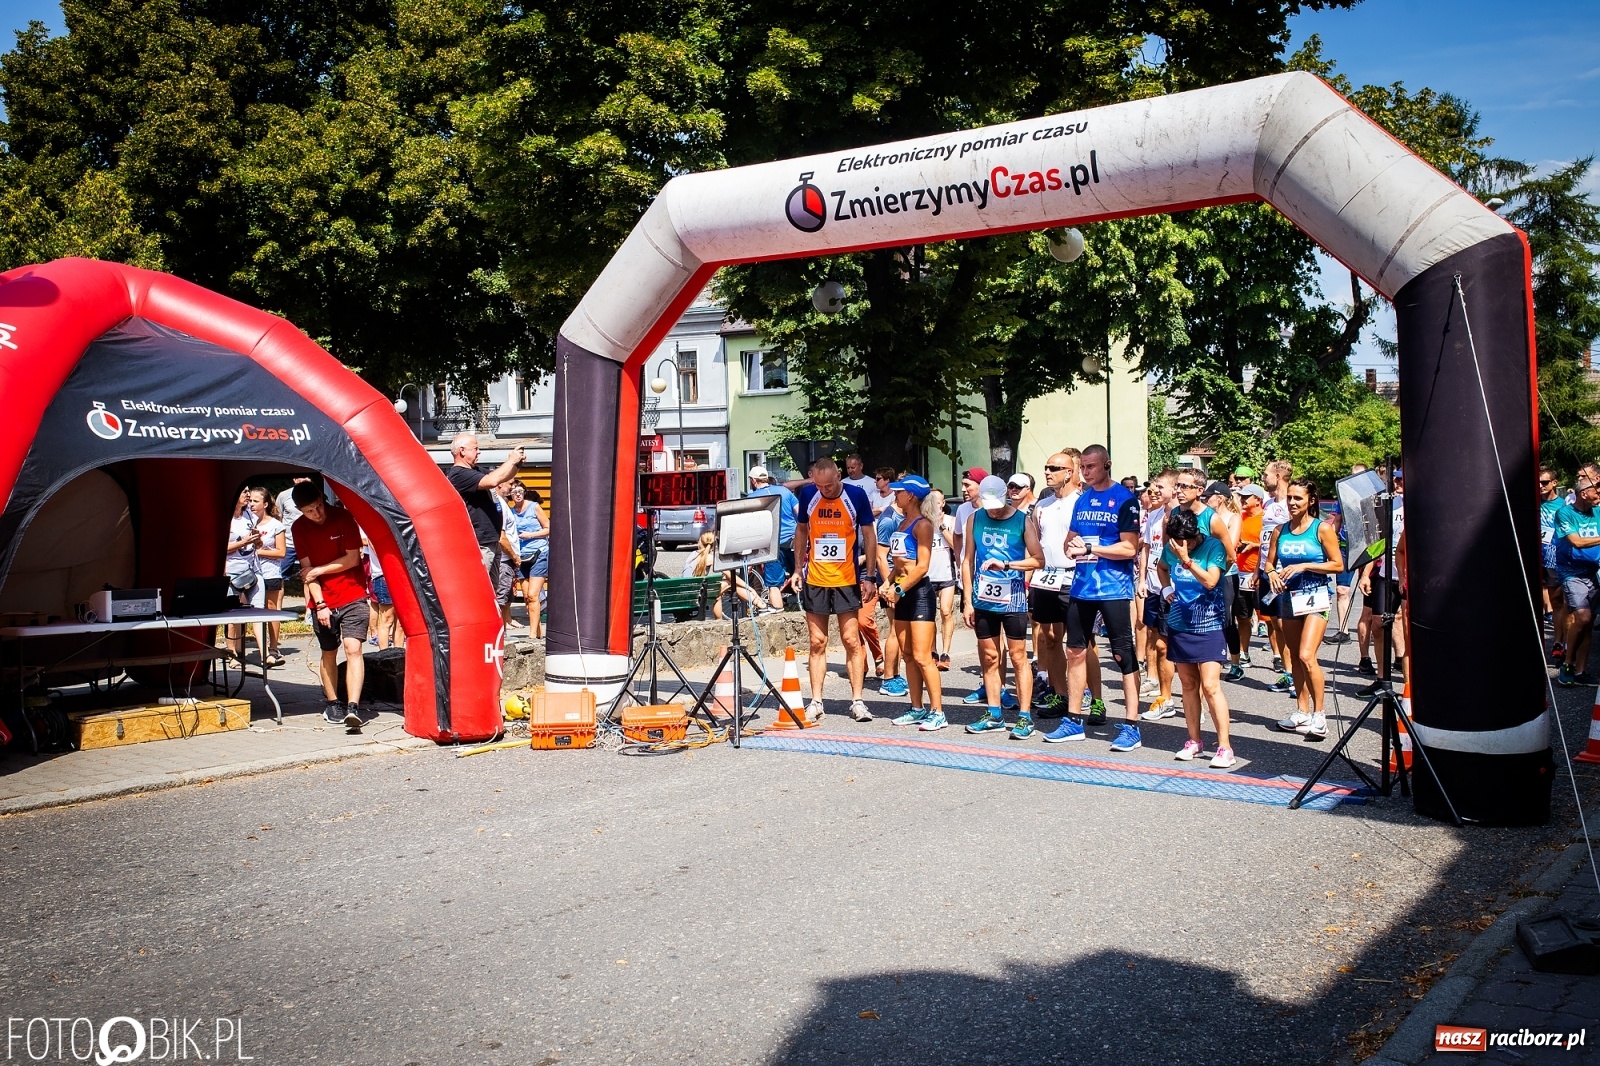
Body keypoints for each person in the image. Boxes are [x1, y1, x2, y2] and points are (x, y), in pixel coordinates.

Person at [1046, 445, 1143, 748]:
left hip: (1113, 587)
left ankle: (1131, 724)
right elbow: (1070, 540)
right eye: (1082, 467)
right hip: (1082, 586)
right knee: (1074, 651)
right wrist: (1072, 546)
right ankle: (1073, 719)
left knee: (1121, 653)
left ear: (1106, 465)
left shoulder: (1126, 501)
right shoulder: (1083, 498)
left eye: (1091, 466)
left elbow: (1130, 548)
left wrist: (1092, 549)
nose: (1086, 472)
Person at [790, 458, 880, 722]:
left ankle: (858, 700)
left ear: (839, 476)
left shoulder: (856, 495)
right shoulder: (809, 494)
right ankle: (816, 700)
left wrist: (871, 575)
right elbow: (802, 530)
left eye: (829, 485)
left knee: (851, 640)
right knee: (817, 642)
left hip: (846, 578)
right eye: (819, 485)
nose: (824, 490)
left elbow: (869, 535)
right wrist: (797, 568)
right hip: (816, 578)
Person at [962, 475, 1043, 737]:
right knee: (989, 657)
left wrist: (1008, 565)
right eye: (988, 504)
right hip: (983, 598)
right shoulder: (975, 518)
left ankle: (1024, 716)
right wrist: (967, 600)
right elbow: (967, 560)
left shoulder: (1022, 520)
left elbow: (1038, 560)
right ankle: (994, 713)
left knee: (1018, 657)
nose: (993, 509)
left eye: (997, 503)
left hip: (1014, 598)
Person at [291, 481, 372, 731]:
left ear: (322, 499)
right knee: (329, 651)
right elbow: (307, 573)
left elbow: (352, 559)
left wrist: (319, 570)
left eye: (318, 507)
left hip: (353, 594)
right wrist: (321, 603)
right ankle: (333, 701)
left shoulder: (342, 517)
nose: (317, 514)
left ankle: (353, 706)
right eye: (309, 511)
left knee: (353, 648)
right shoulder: (298, 528)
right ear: (299, 510)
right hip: (323, 599)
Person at [1156, 508, 1235, 767]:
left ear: (1196, 534)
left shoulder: (1213, 547)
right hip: (1180, 622)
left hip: (1209, 623)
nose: (1182, 545)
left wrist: (1187, 560)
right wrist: (1166, 587)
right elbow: (1162, 566)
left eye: (1187, 541)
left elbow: (1211, 581)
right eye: (1178, 541)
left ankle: (1224, 747)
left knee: (1211, 686)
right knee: (1188, 685)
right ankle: (1194, 741)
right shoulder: (1172, 546)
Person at [1267, 478, 1343, 739]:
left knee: (1308, 655)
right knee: (1296, 656)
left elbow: (1337, 565)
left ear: (1311, 501)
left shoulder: (1322, 529)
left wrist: (1305, 566)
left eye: (1297, 498)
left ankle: (1320, 716)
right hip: (1288, 598)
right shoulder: (1280, 530)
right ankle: (1302, 711)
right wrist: (1272, 575)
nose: (1292, 503)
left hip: (1316, 596)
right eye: (1289, 497)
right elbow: (1268, 564)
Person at [882, 476, 946, 730]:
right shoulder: (900, 523)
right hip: (901, 591)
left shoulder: (923, 525)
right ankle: (916, 707)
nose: (894, 495)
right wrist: (887, 582)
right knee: (907, 654)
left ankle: (938, 711)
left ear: (911, 496)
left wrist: (898, 588)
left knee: (922, 656)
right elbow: (899, 564)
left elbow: (921, 567)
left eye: (898, 492)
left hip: (918, 593)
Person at [1030, 452, 1083, 716]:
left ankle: (1087, 696)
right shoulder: (1042, 506)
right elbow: (1036, 542)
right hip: (1046, 576)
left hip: (1073, 575)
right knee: (1049, 637)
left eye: (1054, 468)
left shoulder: (1081, 502)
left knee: (1080, 642)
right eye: (1046, 467)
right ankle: (1060, 694)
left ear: (1070, 473)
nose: (1048, 472)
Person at [445, 432, 525, 574]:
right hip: (480, 543)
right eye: (475, 448)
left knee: (492, 591)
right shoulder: (459, 474)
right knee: (480, 588)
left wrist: (516, 465)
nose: (479, 452)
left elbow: (502, 477)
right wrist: (511, 461)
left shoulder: (474, 470)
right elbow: (492, 481)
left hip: (491, 541)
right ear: (462, 451)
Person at [1136, 471, 1176, 719]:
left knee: (1176, 645)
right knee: (1157, 640)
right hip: (1153, 584)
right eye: (1153, 487)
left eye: (1160, 487)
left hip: (1176, 588)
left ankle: (1196, 702)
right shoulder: (1153, 514)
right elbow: (1147, 549)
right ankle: (1165, 695)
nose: (1155, 491)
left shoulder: (1183, 516)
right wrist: (1141, 580)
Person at [1555, 477, 1600, 686]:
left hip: (1593, 572)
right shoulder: (1565, 513)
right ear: (1584, 493)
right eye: (1596, 491)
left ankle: (1581, 672)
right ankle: (1568, 662)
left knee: (1589, 623)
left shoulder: (1598, 512)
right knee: (1582, 616)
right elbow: (1577, 542)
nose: (1599, 495)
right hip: (1571, 572)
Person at [746, 466, 798, 611]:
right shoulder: (785, 492)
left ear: (753, 481)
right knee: (801, 576)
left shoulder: (752, 498)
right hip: (794, 541)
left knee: (773, 584)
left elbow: (750, 527)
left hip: (773, 544)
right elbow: (800, 513)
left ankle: (778, 612)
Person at [872, 486, 907, 695]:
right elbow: (880, 557)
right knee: (895, 629)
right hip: (892, 582)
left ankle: (896, 674)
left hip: (904, 580)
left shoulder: (907, 517)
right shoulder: (888, 519)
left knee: (903, 630)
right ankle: (888, 678)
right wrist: (889, 586)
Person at [224, 488, 265, 662]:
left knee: (258, 612)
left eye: (249, 491)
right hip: (230, 571)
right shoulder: (226, 518)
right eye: (243, 491)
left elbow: (258, 543)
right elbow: (221, 547)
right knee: (233, 616)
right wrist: (243, 542)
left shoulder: (250, 515)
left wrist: (257, 540)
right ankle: (233, 653)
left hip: (253, 570)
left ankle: (266, 655)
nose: (247, 494)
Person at [251, 488, 288, 666]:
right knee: (251, 611)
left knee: (271, 610)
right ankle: (239, 650)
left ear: (265, 504)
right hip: (250, 574)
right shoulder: (246, 522)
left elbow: (281, 552)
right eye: (249, 500)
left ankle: (273, 648)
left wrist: (259, 550)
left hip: (270, 572)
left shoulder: (275, 525)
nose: (251, 504)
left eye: (255, 501)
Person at [509, 485, 549, 637]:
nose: (518, 495)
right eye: (514, 492)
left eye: (520, 491)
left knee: (533, 594)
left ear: (524, 493)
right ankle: (537, 632)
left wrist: (530, 535)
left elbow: (548, 528)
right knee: (527, 597)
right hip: (520, 557)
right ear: (511, 496)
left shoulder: (534, 507)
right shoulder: (511, 512)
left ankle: (532, 634)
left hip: (538, 553)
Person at [926, 489, 958, 672]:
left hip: (946, 574)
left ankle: (946, 652)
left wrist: (941, 527)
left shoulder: (950, 521)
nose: (934, 506)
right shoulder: (923, 522)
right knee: (929, 616)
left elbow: (955, 545)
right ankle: (933, 651)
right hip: (928, 575)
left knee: (946, 611)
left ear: (943, 503)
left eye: (937, 502)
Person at [1540, 467, 1569, 663]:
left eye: (1544, 482)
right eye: (1538, 482)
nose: (1540, 486)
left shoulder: (1562, 506)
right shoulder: (1530, 503)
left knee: (1557, 601)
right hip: (1532, 557)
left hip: (1553, 559)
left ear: (1554, 483)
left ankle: (1558, 643)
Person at [494, 482, 522, 629]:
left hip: (507, 560)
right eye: (510, 483)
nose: (512, 487)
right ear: (499, 484)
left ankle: (502, 633)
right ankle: (499, 634)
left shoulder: (503, 503)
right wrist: (514, 557)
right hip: (505, 560)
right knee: (501, 600)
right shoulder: (498, 504)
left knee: (506, 600)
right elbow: (502, 537)